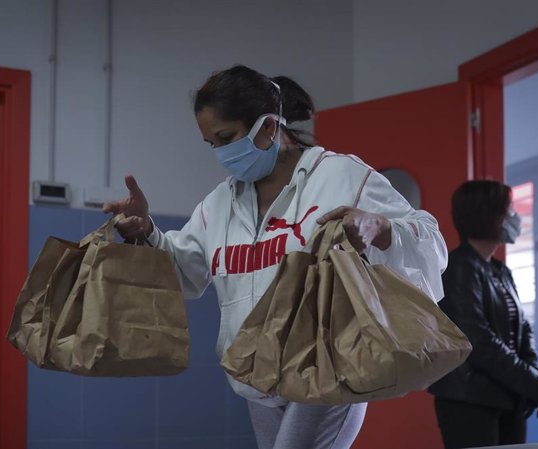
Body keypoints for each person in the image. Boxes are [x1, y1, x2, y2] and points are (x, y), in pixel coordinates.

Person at [103, 65, 448, 449]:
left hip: (331, 364)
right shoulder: (218, 204)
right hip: (257, 374)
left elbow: (431, 240)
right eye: (211, 144)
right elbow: (186, 274)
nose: (221, 153)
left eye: (226, 137)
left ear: (268, 127)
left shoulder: (339, 176)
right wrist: (147, 231)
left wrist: (378, 227)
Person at [428, 180, 538, 449]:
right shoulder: (458, 268)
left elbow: (523, 330)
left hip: (509, 398)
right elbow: (476, 339)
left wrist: (533, 375)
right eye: (508, 210)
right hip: (469, 401)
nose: (514, 217)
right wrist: (530, 381)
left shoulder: (500, 271)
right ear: (487, 215)